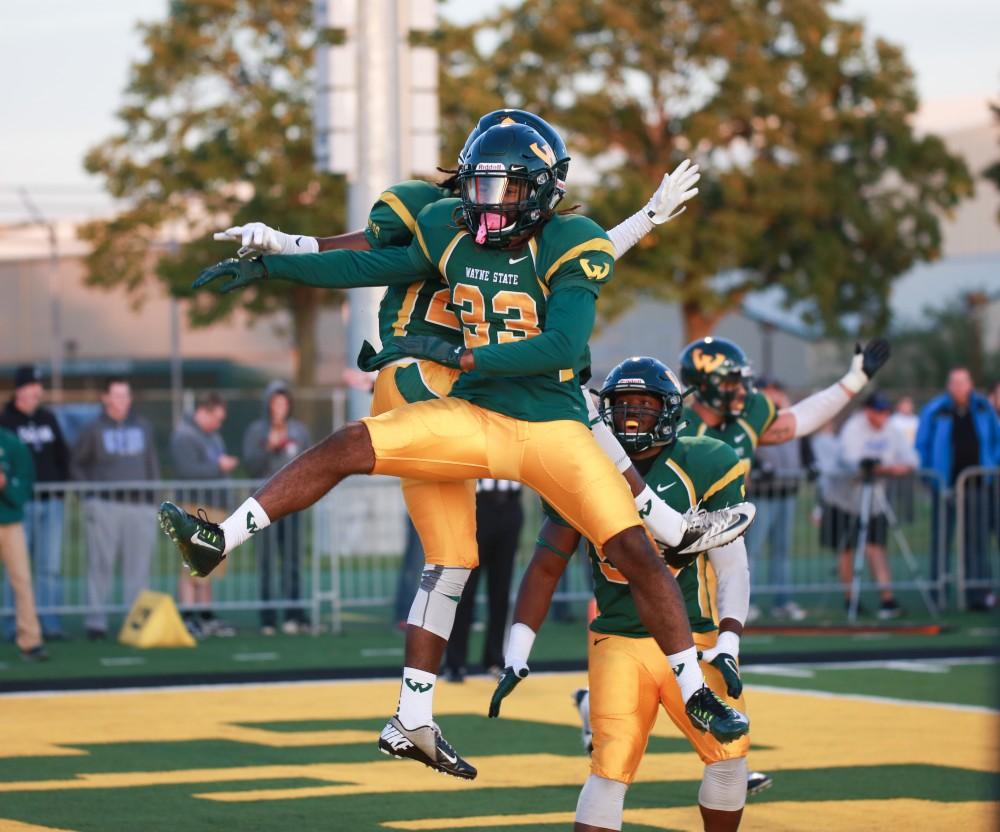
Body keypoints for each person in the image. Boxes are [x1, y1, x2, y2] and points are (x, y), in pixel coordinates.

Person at [160, 121, 752, 781]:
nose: (487, 202)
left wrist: (467, 352)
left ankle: (695, 689)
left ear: (541, 191)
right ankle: (219, 538)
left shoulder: (571, 242)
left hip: (554, 429)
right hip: (478, 415)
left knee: (635, 551)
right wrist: (273, 259)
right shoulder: (448, 227)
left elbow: (560, 345)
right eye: (480, 184)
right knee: (352, 443)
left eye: (502, 187)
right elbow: (365, 262)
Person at [489, 358, 754, 832]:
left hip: (693, 638)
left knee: (730, 757)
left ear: (670, 411)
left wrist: (729, 642)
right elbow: (546, 565)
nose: (632, 414)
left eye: (645, 404)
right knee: (609, 772)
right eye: (623, 404)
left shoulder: (704, 460)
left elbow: (731, 564)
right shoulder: (584, 470)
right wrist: (517, 651)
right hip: (618, 641)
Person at [676, 335, 889, 795]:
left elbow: (796, 421)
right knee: (669, 652)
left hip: (724, 550)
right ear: (704, 384)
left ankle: (730, 761)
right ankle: (725, 758)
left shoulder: (749, 413)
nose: (741, 391)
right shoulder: (675, 423)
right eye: (730, 382)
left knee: (714, 654)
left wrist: (854, 381)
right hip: (676, 555)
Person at [71, 377, 160, 640]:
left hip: (139, 506)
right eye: (117, 396)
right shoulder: (93, 429)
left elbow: (151, 463)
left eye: (126, 396)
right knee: (100, 565)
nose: (122, 402)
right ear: (105, 398)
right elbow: (77, 463)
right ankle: (96, 622)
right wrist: (88, 496)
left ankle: (135, 621)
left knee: (139, 567)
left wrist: (153, 501)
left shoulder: (143, 427)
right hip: (105, 505)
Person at [916, 367, 1000, 609]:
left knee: (977, 540)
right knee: (941, 539)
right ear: (948, 385)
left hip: (977, 483)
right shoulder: (935, 410)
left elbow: (996, 439)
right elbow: (922, 444)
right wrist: (930, 477)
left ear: (971, 384)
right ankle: (937, 593)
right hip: (945, 486)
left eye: (963, 382)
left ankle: (978, 593)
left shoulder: (983, 407)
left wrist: (993, 466)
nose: (959, 387)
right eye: (954, 383)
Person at [827, 393, 917, 618]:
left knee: (876, 546)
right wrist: (886, 468)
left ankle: (887, 599)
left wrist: (894, 468)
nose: (883, 416)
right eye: (879, 411)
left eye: (886, 412)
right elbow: (852, 462)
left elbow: (912, 459)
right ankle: (851, 599)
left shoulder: (892, 429)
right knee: (847, 549)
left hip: (875, 499)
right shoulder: (853, 429)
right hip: (844, 499)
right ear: (867, 411)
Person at [0, 365, 70, 641]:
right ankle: (10, 623)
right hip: (20, 504)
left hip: (50, 502)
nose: (37, 390)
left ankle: (50, 623)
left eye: (39, 385)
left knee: (49, 565)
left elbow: (62, 455)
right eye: (32, 385)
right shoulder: (6, 421)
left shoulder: (48, 418)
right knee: (17, 568)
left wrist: (62, 489)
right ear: (19, 389)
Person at [242, 381, 311, 634]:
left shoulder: (299, 430)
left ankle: (294, 614)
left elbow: (309, 463)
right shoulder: (255, 431)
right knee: (267, 562)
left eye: (283, 403)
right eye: (275, 403)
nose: (279, 407)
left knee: (292, 560)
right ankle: (268, 617)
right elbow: (250, 464)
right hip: (263, 506)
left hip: (292, 504)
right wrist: (267, 448)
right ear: (268, 405)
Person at [170, 392, 239, 637]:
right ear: (204, 411)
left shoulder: (213, 436)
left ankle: (205, 614)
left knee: (208, 562)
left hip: (213, 506)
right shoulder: (184, 435)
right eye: (216, 419)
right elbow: (187, 471)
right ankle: (189, 615)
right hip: (193, 506)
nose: (218, 424)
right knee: (191, 563)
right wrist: (218, 467)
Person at [444, 478, 524, 681]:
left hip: (510, 506)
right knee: (465, 589)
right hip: (476, 507)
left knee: (501, 591)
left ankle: (495, 659)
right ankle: (455, 663)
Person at [744, 380, 806, 621]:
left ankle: (783, 600)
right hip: (762, 494)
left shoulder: (789, 420)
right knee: (753, 552)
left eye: (778, 392)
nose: (776, 397)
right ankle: (747, 602)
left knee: (782, 552)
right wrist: (761, 467)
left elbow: (802, 447)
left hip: (786, 493)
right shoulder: (753, 420)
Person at [0, 426, 47, 661]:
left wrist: (6, 485)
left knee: (22, 582)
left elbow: (24, 486)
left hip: (10, 524)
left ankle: (30, 641)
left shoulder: (12, 443)